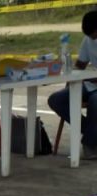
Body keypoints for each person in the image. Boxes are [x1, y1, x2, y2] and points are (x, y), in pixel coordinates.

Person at [47, 11, 97, 158]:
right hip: (90, 83)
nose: (92, 38)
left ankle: (90, 145)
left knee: (95, 102)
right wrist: (71, 82)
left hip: (92, 84)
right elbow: (80, 65)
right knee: (56, 100)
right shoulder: (88, 39)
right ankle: (92, 134)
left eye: (94, 34)